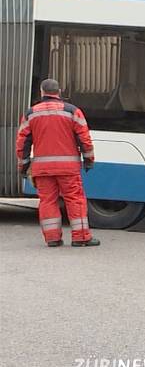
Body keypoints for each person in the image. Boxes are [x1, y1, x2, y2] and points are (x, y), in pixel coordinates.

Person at [15, 79, 100, 247]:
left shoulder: (31, 113)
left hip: (42, 169)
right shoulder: (72, 111)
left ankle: (52, 238)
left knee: (48, 201)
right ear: (59, 91)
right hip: (68, 168)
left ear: (42, 92)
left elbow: (22, 143)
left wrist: (24, 165)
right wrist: (89, 159)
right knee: (75, 199)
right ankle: (81, 238)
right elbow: (85, 139)